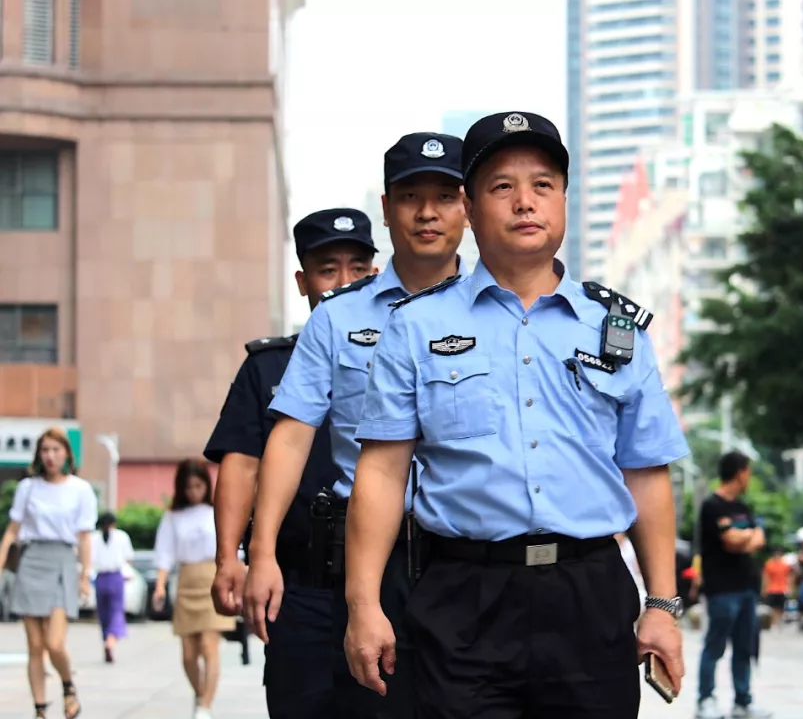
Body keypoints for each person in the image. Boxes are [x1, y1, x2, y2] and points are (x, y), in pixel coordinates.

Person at [342, 111, 689, 719]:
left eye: (542, 185)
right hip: (464, 598)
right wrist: (363, 604)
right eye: (502, 186)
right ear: (470, 209)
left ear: (563, 201)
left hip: (589, 595)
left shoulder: (615, 330)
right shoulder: (416, 326)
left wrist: (661, 604)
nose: (525, 201)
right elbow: (382, 472)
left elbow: (645, 471)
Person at [244, 132, 468, 718]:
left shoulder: (498, 312)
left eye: (445, 196)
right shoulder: (338, 317)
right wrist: (261, 553)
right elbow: (291, 436)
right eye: (410, 197)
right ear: (387, 210)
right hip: (369, 560)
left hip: (469, 559)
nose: (427, 212)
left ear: (467, 207)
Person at [205, 206, 375, 718]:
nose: (344, 283)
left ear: (376, 274)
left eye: (358, 268)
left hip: (390, 577)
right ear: (303, 282)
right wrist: (229, 559)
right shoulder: (268, 366)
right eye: (328, 270)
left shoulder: (404, 353)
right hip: (300, 582)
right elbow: (241, 464)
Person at [0, 427, 95, 719]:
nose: (50, 456)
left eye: (56, 449)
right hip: (31, 560)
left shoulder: (80, 489)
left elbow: (84, 537)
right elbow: (13, 530)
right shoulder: (27, 487)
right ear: (38, 455)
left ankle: (68, 686)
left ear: (67, 453)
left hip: (63, 561)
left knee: (54, 643)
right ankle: (40, 710)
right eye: (45, 450)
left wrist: (85, 575)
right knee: (35, 646)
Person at [154, 458, 235, 719]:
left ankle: (205, 707)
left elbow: (233, 548)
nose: (193, 492)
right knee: (188, 655)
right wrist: (160, 586)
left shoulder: (218, 511)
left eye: (198, 486)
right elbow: (165, 553)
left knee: (210, 647)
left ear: (207, 485)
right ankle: (201, 695)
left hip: (213, 578)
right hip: (187, 581)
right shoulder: (172, 517)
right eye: (188, 487)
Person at [696, 451, 771, 719]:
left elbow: (757, 541)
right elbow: (730, 542)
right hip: (721, 589)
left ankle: (743, 702)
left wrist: (743, 536)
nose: (749, 477)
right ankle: (705, 700)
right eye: (748, 472)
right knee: (715, 645)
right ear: (740, 472)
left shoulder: (743, 508)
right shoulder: (712, 506)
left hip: (747, 587)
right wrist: (746, 536)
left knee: (744, 647)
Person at [91, 511, 135, 663]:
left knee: (104, 614)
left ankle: (106, 639)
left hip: (100, 578)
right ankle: (110, 641)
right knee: (116, 612)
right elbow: (129, 558)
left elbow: (89, 560)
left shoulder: (93, 538)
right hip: (115, 578)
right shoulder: (121, 536)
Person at [761, 547, 791, 629]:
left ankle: (778, 622)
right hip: (771, 589)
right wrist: (764, 589)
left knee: (780, 607)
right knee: (772, 607)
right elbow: (765, 577)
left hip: (782, 589)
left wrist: (789, 587)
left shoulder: (785, 565)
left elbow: (788, 576)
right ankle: (773, 622)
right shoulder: (769, 564)